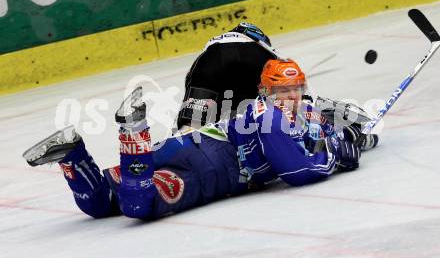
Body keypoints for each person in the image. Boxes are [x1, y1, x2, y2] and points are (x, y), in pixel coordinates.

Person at [22, 59, 378, 220]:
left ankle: (73, 155)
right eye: (281, 90)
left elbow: (338, 126)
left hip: (188, 146)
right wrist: (337, 155)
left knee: (101, 202)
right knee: (137, 206)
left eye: (296, 89)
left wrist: (349, 136)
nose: (290, 97)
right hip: (210, 169)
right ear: (264, 91)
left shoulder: (297, 112)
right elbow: (299, 170)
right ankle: (134, 134)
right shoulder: (267, 115)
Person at [177, 22, 286, 129]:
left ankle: (188, 134)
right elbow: (283, 69)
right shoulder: (259, 47)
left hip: (208, 63)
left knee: (191, 126)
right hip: (250, 63)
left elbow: (190, 77)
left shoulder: (215, 43)